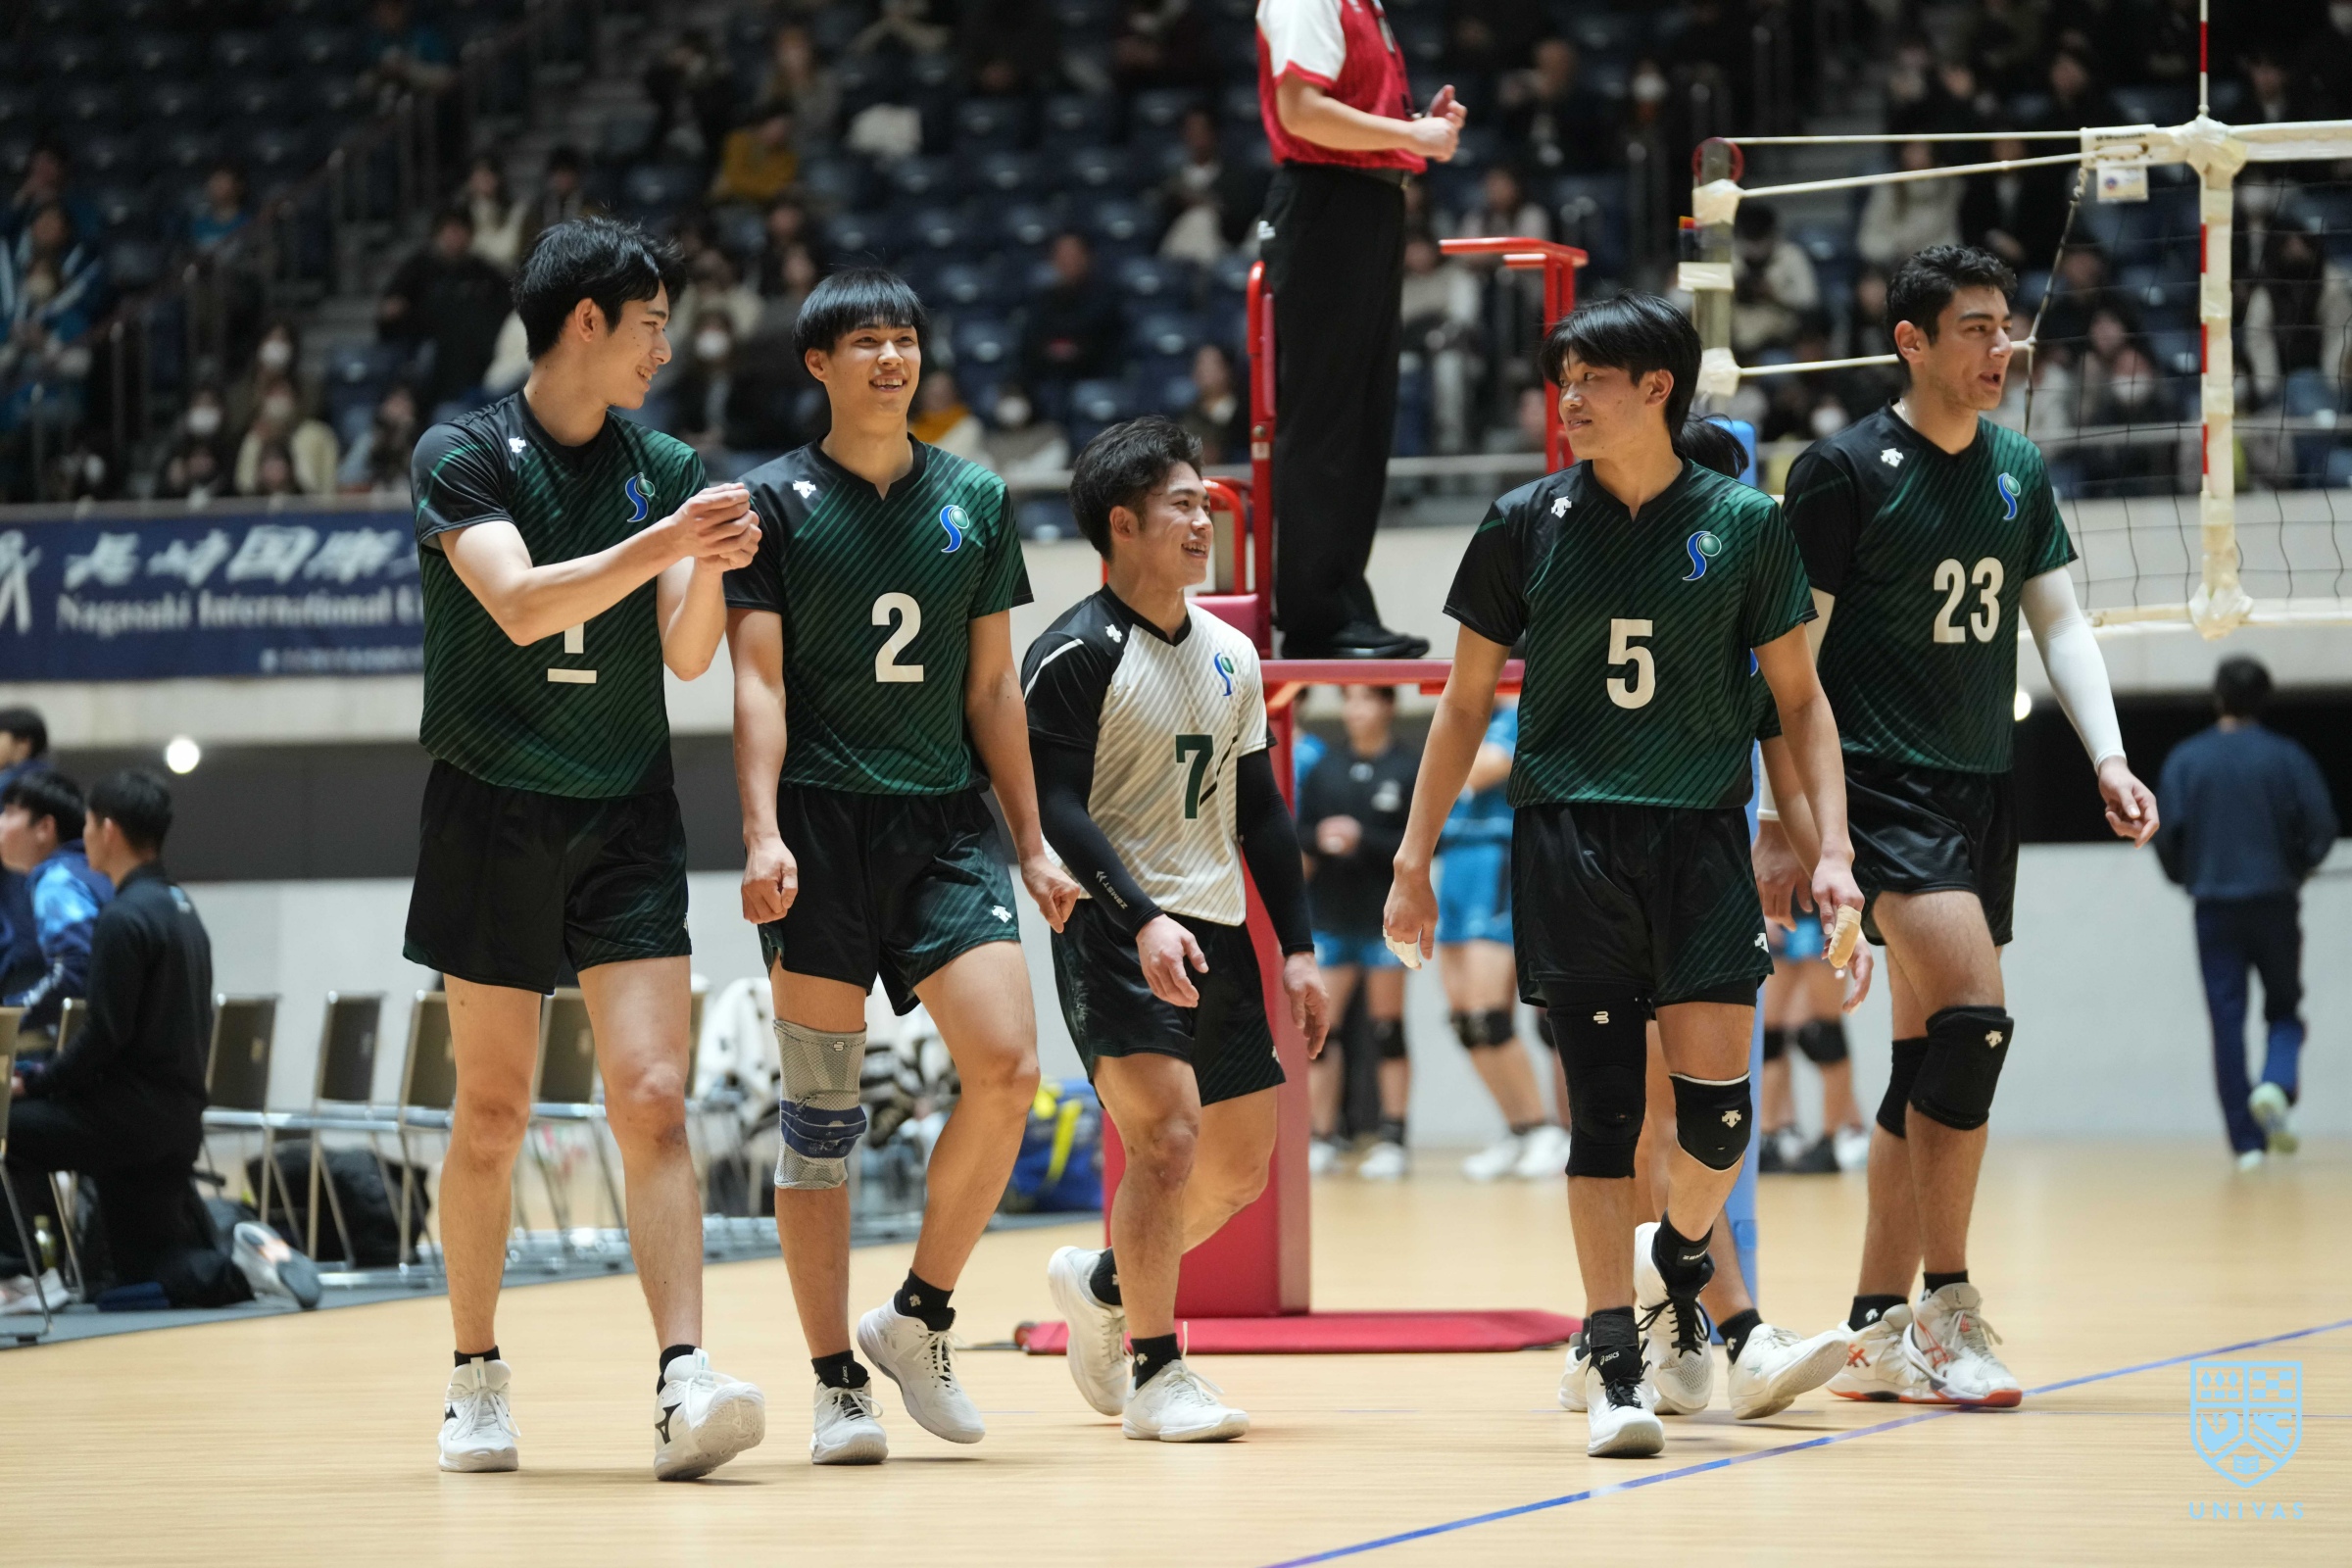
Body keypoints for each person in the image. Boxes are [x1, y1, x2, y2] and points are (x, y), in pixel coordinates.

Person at [1383, 294, 1863, 1457]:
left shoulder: (1746, 525)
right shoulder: (1524, 521)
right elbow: (1461, 705)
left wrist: (1834, 849)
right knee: (1603, 1120)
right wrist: (1413, 856)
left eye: (1594, 378)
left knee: (1719, 1120)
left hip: (1699, 841)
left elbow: (1800, 703)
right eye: (1565, 379)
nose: (1570, 398)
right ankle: (1614, 1365)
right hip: (1571, 841)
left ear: (1659, 388)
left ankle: (1676, 1264)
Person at [401, 216, 767, 1479]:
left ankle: (683, 1377)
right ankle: (475, 1373)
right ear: (587, 321)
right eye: (651, 324)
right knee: (493, 1111)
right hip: (490, 808)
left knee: (654, 1097)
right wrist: (675, 538)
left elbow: (685, 654)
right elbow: (515, 603)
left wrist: (712, 563)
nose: (666, 347)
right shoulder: (461, 454)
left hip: (625, 809)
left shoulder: (663, 463)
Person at [1766, 246, 2157, 1409]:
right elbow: (1787, 671)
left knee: (1924, 1056)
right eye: (1976, 328)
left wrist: (2108, 755)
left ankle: (1872, 1330)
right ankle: (1948, 1307)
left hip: (1983, 788)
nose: (2002, 349)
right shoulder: (1841, 472)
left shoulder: (2017, 469)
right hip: (1877, 788)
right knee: (1976, 1022)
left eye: (2006, 327)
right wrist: (1787, 821)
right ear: (1913, 342)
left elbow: (2061, 624)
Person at [726, 269, 1082, 1466]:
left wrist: (1032, 841)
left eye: (906, 340)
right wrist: (762, 829)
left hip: (942, 828)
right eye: (866, 341)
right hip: (819, 833)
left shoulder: (975, 497)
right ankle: (836, 1381)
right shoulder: (772, 502)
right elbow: (757, 683)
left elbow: (992, 688)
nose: (892, 358)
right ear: (818, 363)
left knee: (1008, 1066)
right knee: (821, 1121)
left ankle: (918, 1314)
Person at [1026, 416, 1332, 1441]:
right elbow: (1055, 808)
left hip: (1219, 928)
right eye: (1182, 505)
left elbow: (1263, 811)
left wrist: (1298, 948)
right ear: (1122, 523)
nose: (1204, 521)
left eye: (1206, 503)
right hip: (1117, 928)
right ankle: (1157, 1372)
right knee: (1164, 1142)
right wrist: (1143, 916)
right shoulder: (1073, 652)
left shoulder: (1234, 653)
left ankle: (1106, 1284)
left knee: (1238, 1169)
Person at [2, 770, 302, 1312]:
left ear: (108, 830)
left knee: (8, 1124)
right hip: (177, 1122)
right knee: (138, 1278)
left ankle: (22, 1275)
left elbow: (104, 1039)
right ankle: (236, 1262)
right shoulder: (181, 907)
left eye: (87, 826)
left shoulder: (123, 919)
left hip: (129, 1125)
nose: (83, 839)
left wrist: (35, 1083)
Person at [1257, 0, 1463, 658]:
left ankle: (1343, 603)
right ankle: (1315, 616)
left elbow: (1347, 109)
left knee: (1366, 418)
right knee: (1327, 416)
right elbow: (1300, 112)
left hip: (1370, 203)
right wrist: (1413, 136)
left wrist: (1416, 129)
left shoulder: (1363, 5)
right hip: (1329, 205)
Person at [2156, 657, 2338, 1166]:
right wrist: (2298, 866)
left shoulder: (2186, 760)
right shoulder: (2287, 757)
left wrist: (2188, 876)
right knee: (2284, 1009)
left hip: (2213, 908)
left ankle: (2247, 1145)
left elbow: (2166, 836)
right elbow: (2322, 826)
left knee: (2226, 1023)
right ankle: (2276, 1083)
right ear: (2264, 699)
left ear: (2217, 696)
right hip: (2275, 904)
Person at [1440, 700, 1572, 1181]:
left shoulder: (1517, 714)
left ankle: (1545, 1130)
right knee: (1464, 1021)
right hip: (1454, 858)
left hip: (1495, 855)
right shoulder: (1465, 714)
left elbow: (1476, 772)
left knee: (1488, 1014)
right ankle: (1519, 1128)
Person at [1299, 685, 1419, 1178]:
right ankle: (1321, 1136)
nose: (1355, 709)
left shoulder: (1408, 767)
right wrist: (1320, 839)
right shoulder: (1324, 767)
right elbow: (1298, 831)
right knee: (1322, 1031)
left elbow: (1421, 841)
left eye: (1366, 699)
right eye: (1348, 700)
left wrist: (1361, 838)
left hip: (1386, 919)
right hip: (1331, 915)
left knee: (1387, 1029)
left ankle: (1393, 1138)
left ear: (1388, 705)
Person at [0, 771, 109, 1034]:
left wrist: (8, 1017)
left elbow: (74, 972)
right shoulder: (92, 872)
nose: (1, 822)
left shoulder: (57, 880)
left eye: (10, 813)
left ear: (44, 828)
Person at [378, 209, 513, 412]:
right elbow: (390, 310)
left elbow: (507, 303)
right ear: (437, 234)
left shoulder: (482, 272)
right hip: (422, 344)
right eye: (449, 231)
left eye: (460, 231)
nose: (454, 238)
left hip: (471, 353)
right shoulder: (418, 267)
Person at [0, 707, 52, 1000]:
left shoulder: (8, 787)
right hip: (50, 937)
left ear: (23, 744)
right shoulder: (59, 788)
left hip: (16, 939)